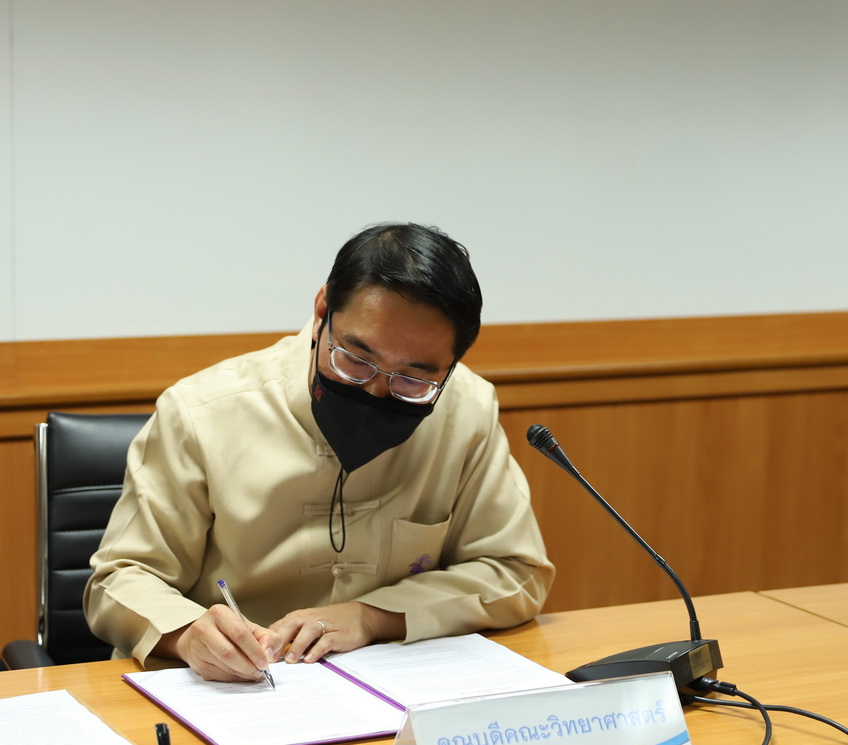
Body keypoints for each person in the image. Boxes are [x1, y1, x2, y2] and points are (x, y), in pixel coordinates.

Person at [84, 222, 553, 681]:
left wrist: (373, 616)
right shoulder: (203, 412)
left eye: (413, 378)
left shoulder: (465, 411)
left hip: (389, 683)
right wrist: (188, 634)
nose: (374, 390)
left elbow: (515, 571)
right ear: (322, 311)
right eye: (356, 358)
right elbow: (119, 579)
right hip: (230, 686)